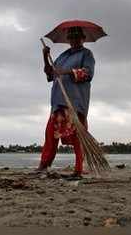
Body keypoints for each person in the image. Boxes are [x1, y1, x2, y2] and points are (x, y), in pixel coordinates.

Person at [37, 26, 95, 177]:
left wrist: (67, 72)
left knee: (77, 136)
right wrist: (45, 56)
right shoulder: (63, 56)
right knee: (50, 134)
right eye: (71, 38)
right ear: (68, 40)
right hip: (58, 100)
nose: (74, 40)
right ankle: (43, 165)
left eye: (77, 37)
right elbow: (50, 75)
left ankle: (78, 169)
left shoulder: (86, 54)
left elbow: (88, 73)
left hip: (75, 101)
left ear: (83, 39)